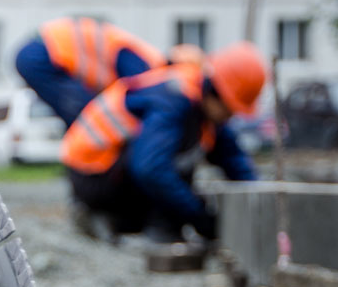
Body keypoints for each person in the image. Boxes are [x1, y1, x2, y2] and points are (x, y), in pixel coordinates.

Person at [62, 41, 267, 243]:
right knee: (170, 159)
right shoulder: (174, 101)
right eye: (230, 109)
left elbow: (230, 155)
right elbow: (151, 169)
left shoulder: (200, 100)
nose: (230, 117)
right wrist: (200, 216)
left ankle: (143, 223)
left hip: (109, 170)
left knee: (177, 158)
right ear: (216, 93)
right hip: (93, 175)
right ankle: (130, 222)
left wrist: (261, 199)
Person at [14, 17, 167, 127]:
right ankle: (83, 164)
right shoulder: (147, 66)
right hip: (40, 55)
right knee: (89, 115)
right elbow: (135, 94)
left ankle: (78, 162)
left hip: (37, 52)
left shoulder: (144, 56)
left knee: (80, 112)